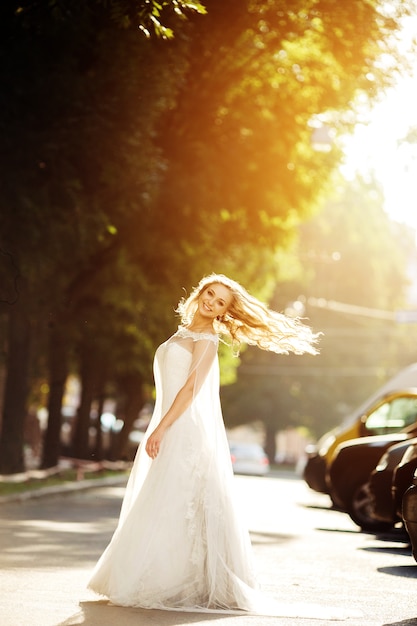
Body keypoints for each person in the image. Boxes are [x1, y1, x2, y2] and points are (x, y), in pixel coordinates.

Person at [87, 273, 322, 614]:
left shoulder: (207, 339)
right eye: (210, 294)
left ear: (224, 312)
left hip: (183, 429)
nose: (211, 302)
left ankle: (178, 581)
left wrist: (161, 428)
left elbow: (189, 392)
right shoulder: (184, 332)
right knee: (163, 502)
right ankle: (158, 574)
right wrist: (160, 425)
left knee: (177, 502)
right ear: (200, 293)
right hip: (169, 424)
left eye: (221, 302)